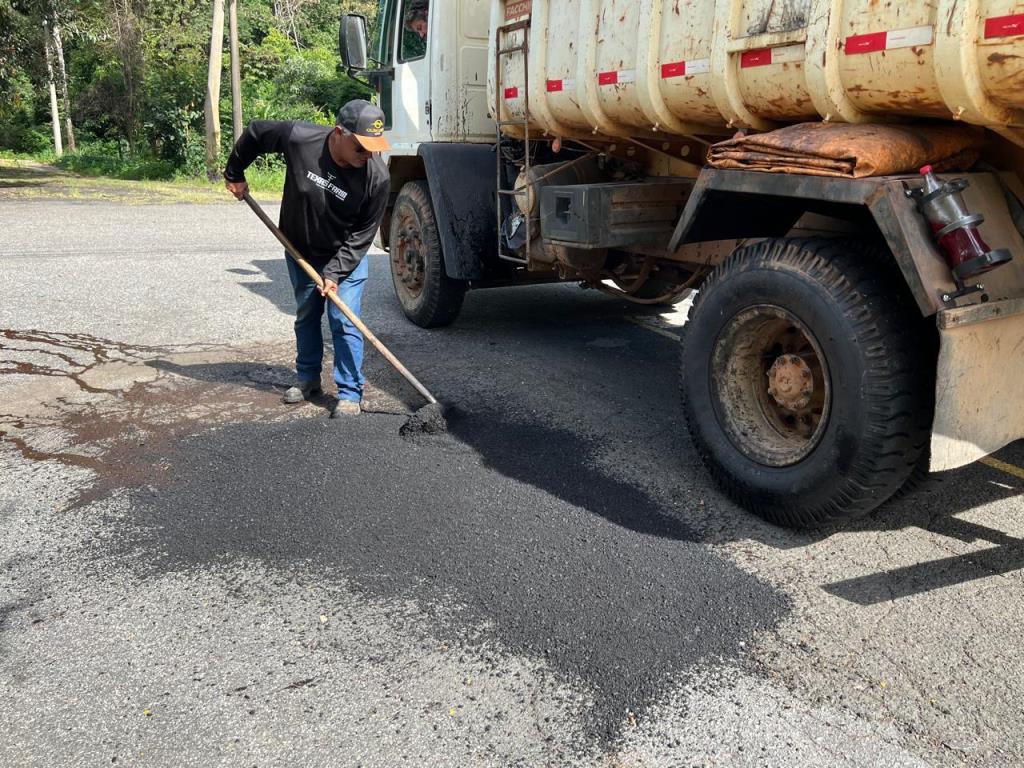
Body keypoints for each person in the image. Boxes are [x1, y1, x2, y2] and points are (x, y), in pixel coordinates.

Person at [224, 100, 391, 417]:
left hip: (345, 256)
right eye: (361, 148)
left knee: (344, 321)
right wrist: (234, 171)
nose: (368, 155)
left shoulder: (377, 176)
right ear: (339, 133)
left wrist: (335, 272)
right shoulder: (300, 138)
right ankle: (308, 378)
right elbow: (257, 132)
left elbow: (363, 234)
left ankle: (350, 392)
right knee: (306, 314)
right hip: (300, 250)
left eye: (374, 148)